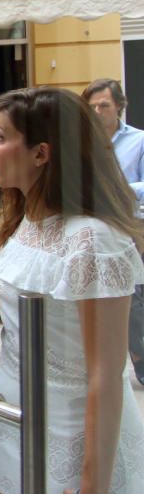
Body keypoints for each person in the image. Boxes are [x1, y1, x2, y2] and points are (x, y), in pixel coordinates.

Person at [0, 87, 144, 494]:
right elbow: (45, 313)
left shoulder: (93, 241)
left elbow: (106, 373)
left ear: (42, 153)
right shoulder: (19, 221)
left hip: (72, 433)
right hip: (10, 414)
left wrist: (92, 487)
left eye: (1, 136)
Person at [82, 78, 144, 386]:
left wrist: (115, 189)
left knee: (134, 292)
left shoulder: (138, 141)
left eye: (103, 105)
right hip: (91, 228)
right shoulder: (81, 143)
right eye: (91, 106)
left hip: (130, 225)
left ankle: (139, 358)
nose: (96, 111)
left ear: (118, 106)